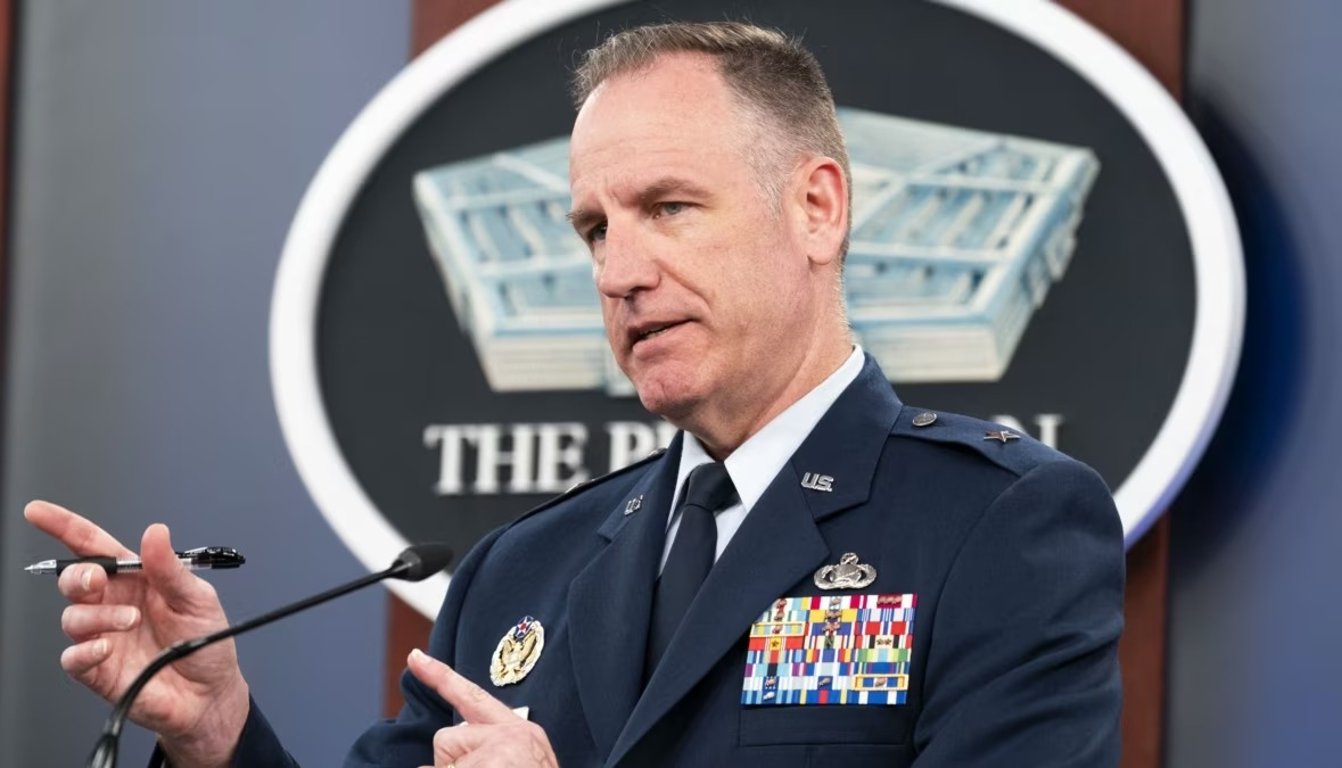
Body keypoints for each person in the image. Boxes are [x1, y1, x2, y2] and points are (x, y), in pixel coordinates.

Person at [26, 20, 1124, 768]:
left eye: (670, 207)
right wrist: (219, 734)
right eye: (595, 228)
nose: (618, 271)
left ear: (817, 209)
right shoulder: (521, 570)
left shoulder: (995, 523)